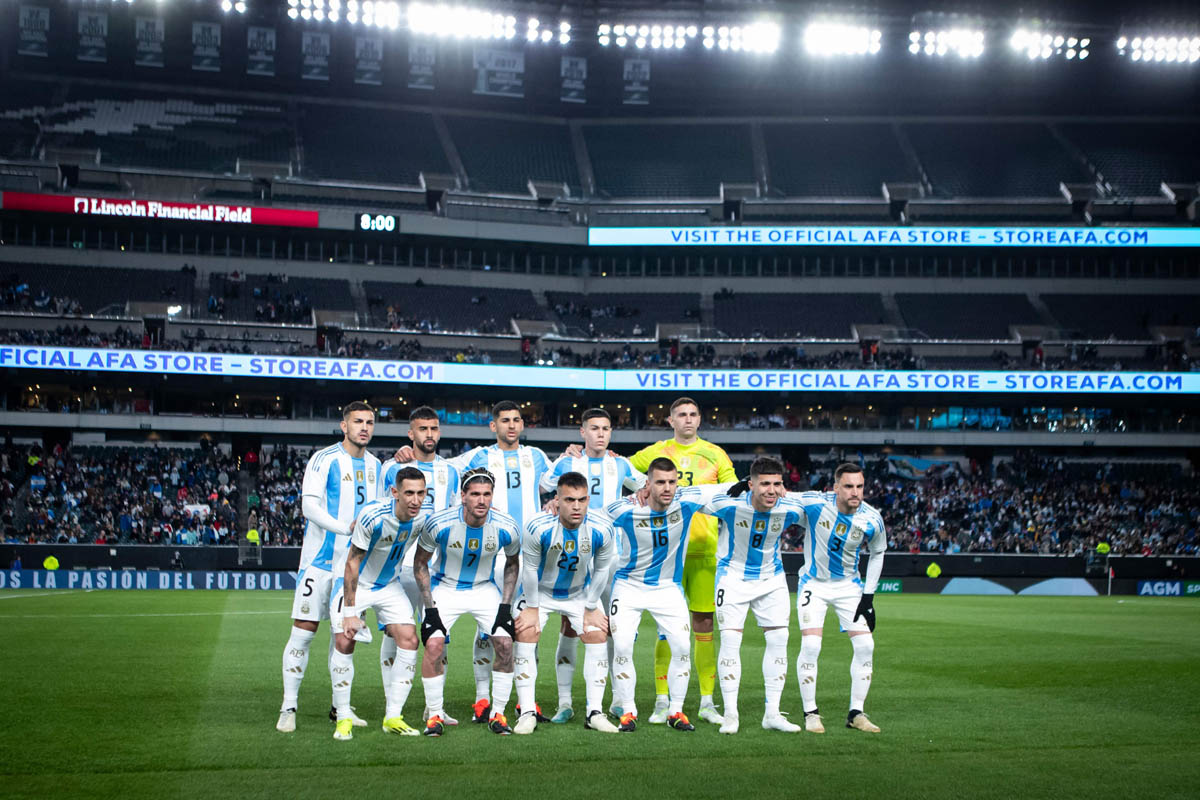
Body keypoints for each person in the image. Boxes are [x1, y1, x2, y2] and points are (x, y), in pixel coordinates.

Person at [395, 400, 552, 723]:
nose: (512, 425)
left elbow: (559, 483)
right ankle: (482, 699)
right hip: (488, 556)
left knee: (522, 629)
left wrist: (567, 475)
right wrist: (408, 453)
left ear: (523, 424)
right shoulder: (477, 456)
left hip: (524, 552)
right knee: (484, 633)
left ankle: (525, 700)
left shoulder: (537, 456)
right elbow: (438, 462)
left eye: (517, 419)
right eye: (505, 420)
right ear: (493, 426)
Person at [628, 397, 736, 725]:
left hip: (704, 551)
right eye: (681, 415)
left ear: (699, 419)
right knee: (666, 628)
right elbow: (621, 469)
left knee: (704, 626)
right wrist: (640, 487)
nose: (688, 420)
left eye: (693, 415)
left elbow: (734, 492)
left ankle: (707, 702)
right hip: (667, 553)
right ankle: (662, 700)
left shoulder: (716, 454)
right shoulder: (657, 451)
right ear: (671, 420)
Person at [276, 401, 383, 734]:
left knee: (345, 638)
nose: (364, 427)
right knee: (303, 631)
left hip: (353, 567)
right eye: (357, 421)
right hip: (320, 563)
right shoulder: (324, 459)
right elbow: (309, 507)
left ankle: (341, 709)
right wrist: (344, 528)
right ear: (344, 425)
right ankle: (288, 707)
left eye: (369, 422)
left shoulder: (377, 465)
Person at [538, 407, 646, 723]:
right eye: (594, 428)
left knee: (614, 629)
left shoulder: (620, 464)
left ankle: (617, 700)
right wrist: (554, 497)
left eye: (606, 428)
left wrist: (635, 498)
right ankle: (565, 703)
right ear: (582, 432)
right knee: (570, 625)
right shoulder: (568, 462)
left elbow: (645, 488)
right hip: (575, 554)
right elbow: (543, 486)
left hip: (614, 558)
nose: (601, 434)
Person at [603, 457, 718, 733]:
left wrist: (753, 486)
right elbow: (589, 515)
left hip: (667, 588)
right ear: (647, 484)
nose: (667, 488)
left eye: (672, 482)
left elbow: (722, 489)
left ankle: (675, 711)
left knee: (682, 648)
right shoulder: (625, 509)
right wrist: (554, 504)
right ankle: (628, 710)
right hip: (629, 586)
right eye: (660, 482)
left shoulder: (686, 502)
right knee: (622, 647)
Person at [412, 467, 522, 736]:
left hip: (484, 588)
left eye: (486, 494)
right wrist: (430, 609)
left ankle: (498, 714)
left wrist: (505, 607)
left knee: (505, 643)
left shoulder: (506, 526)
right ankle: (435, 714)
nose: (481, 501)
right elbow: (420, 563)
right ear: (463, 496)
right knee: (434, 644)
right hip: (445, 586)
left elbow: (512, 564)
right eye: (474, 494)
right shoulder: (439, 523)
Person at [703, 457, 804, 734]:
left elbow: (822, 504)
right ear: (751, 485)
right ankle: (731, 715)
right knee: (731, 642)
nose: (771, 490)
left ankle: (772, 714)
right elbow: (693, 494)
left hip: (772, 579)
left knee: (779, 640)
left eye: (777, 484)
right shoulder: (729, 504)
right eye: (765, 484)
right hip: (732, 578)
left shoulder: (790, 507)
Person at [512, 471, 619, 734]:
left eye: (582, 500)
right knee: (526, 632)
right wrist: (532, 608)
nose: (576, 506)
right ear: (556, 500)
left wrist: (591, 607)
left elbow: (602, 570)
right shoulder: (538, 526)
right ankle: (527, 712)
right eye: (569, 500)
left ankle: (595, 712)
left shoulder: (602, 528)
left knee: (597, 634)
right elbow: (529, 570)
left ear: (588, 499)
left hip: (578, 592)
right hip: (541, 592)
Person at [788, 463, 887, 734]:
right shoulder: (815, 503)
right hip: (814, 584)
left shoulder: (872, 518)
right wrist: (743, 487)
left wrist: (868, 597)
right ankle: (811, 713)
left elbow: (878, 553)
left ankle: (856, 713)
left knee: (866, 646)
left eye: (859, 486)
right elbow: (780, 494)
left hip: (849, 587)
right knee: (811, 645)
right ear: (835, 488)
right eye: (848, 486)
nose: (855, 492)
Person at [332, 467, 428, 740]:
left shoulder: (422, 519)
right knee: (345, 640)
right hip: (357, 582)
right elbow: (352, 563)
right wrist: (350, 612)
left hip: (388, 585)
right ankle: (343, 718)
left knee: (409, 639)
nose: (415, 500)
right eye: (409, 493)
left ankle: (393, 717)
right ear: (395, 492)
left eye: (421, 493)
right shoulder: (373, 516)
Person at [379, 406, 461, 725]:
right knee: (394, 633)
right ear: (410, 433)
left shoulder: (450, 471)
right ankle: (392, 705)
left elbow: (455, 515)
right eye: (423, 429)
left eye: (434, 428)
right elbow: (382, 511)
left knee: (438, 635)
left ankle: (434, 707)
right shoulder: (392, 467)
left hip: (436, 567)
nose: (429, 434)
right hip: (399, 565)